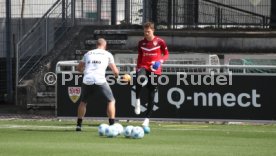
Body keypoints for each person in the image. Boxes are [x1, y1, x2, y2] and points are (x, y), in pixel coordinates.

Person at [75, 38, 119, 131]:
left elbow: (78, 68)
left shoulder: (88, 53)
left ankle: (78, 125)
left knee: (83, 102)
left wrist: (86, 72)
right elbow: (115, 71)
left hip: (87, 79)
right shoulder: (108, 54)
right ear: (105, 46)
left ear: (96, 45)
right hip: (100, 80)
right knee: (111, 101)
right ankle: (112, 125)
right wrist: (116, 76)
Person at [135, 22, 169, 127]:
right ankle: (137, 100)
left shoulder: (160, 42)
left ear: (153, 30)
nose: (146, 33)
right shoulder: (141, 43)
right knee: (139, 79)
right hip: (144, 66)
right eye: (145, 31)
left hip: (155, 69)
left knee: (151, 93)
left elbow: (166, 54)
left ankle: (147, 119)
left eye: (148, 31)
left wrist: (160, 62)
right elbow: (140, 55)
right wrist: (137, 67)